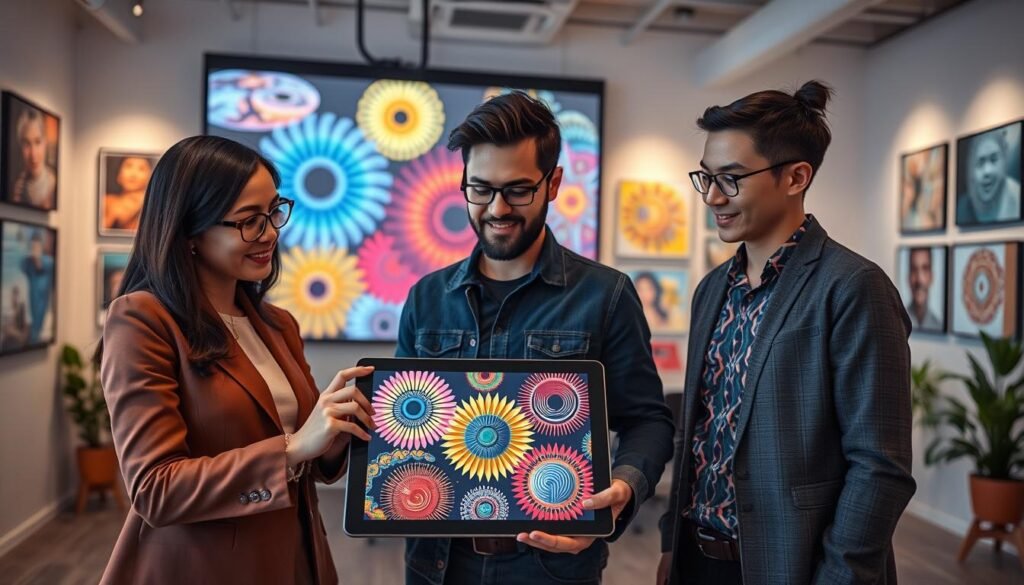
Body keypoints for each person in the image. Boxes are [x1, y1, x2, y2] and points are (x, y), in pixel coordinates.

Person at [396, 92, 675, 585]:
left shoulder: (606, 295)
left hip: (553, 565)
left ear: (555, 184)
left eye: (518, 190)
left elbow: (647, 421)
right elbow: (406, 429)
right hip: (436, 564)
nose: (497, 209)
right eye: (480, 189)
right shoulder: (426, 298)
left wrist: (622, 487)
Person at [658, 81, 916, 585]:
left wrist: (841, 576)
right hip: (697, 559)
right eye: (705, 178)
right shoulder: (713, 290)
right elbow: (697, 433)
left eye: (730, 179)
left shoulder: (853, 287)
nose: (711, 196)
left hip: (797, 566)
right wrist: (672, 544)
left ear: (796, 177)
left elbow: (880, 466)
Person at [97, 135, 375, 584]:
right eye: (249, 221)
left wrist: (339, 431)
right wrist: (293, 447)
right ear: (190, 232)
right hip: (203, 569)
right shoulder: (142, 319)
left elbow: (306, 456)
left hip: (297, 561)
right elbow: (154, 489)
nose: (269, 233)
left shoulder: (277, 324)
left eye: (273, 212)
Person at [957, 129, 1021, 224]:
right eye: (980, 162)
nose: (987, 171)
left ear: (1004, 161)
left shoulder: (1017, 197)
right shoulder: (963, 207)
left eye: (994, 159)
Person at [10, 107, 56, 210]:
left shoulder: (54, 185)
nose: (33, 154)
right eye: (27, 144)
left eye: (37, 142)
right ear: (20, 146)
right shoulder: (17, 189)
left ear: (45, 143)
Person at [102, 156, 154, 231]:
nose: (133, 174)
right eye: (128, 166)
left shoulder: (152, 205)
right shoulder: (106, 201)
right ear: (119, 175)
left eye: (141, 169)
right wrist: (112, 215)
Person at [20, 230, 54, 344]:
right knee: (34, 332)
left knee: (41, 329)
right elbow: (22, 264)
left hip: (45, 307)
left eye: (37, 245)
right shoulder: (28, 263)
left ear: (41, 246)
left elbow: (44, 266)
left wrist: (38, 259)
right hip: (32, 305)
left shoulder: (48, 262)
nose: (34, 248)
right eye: (32, 246)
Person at [906, 247, 942, 331]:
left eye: (925, 269)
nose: (919, 279)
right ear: (908, 278)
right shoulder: (898, 322)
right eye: (914, 269)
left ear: (931, 277)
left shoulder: (938, 326)